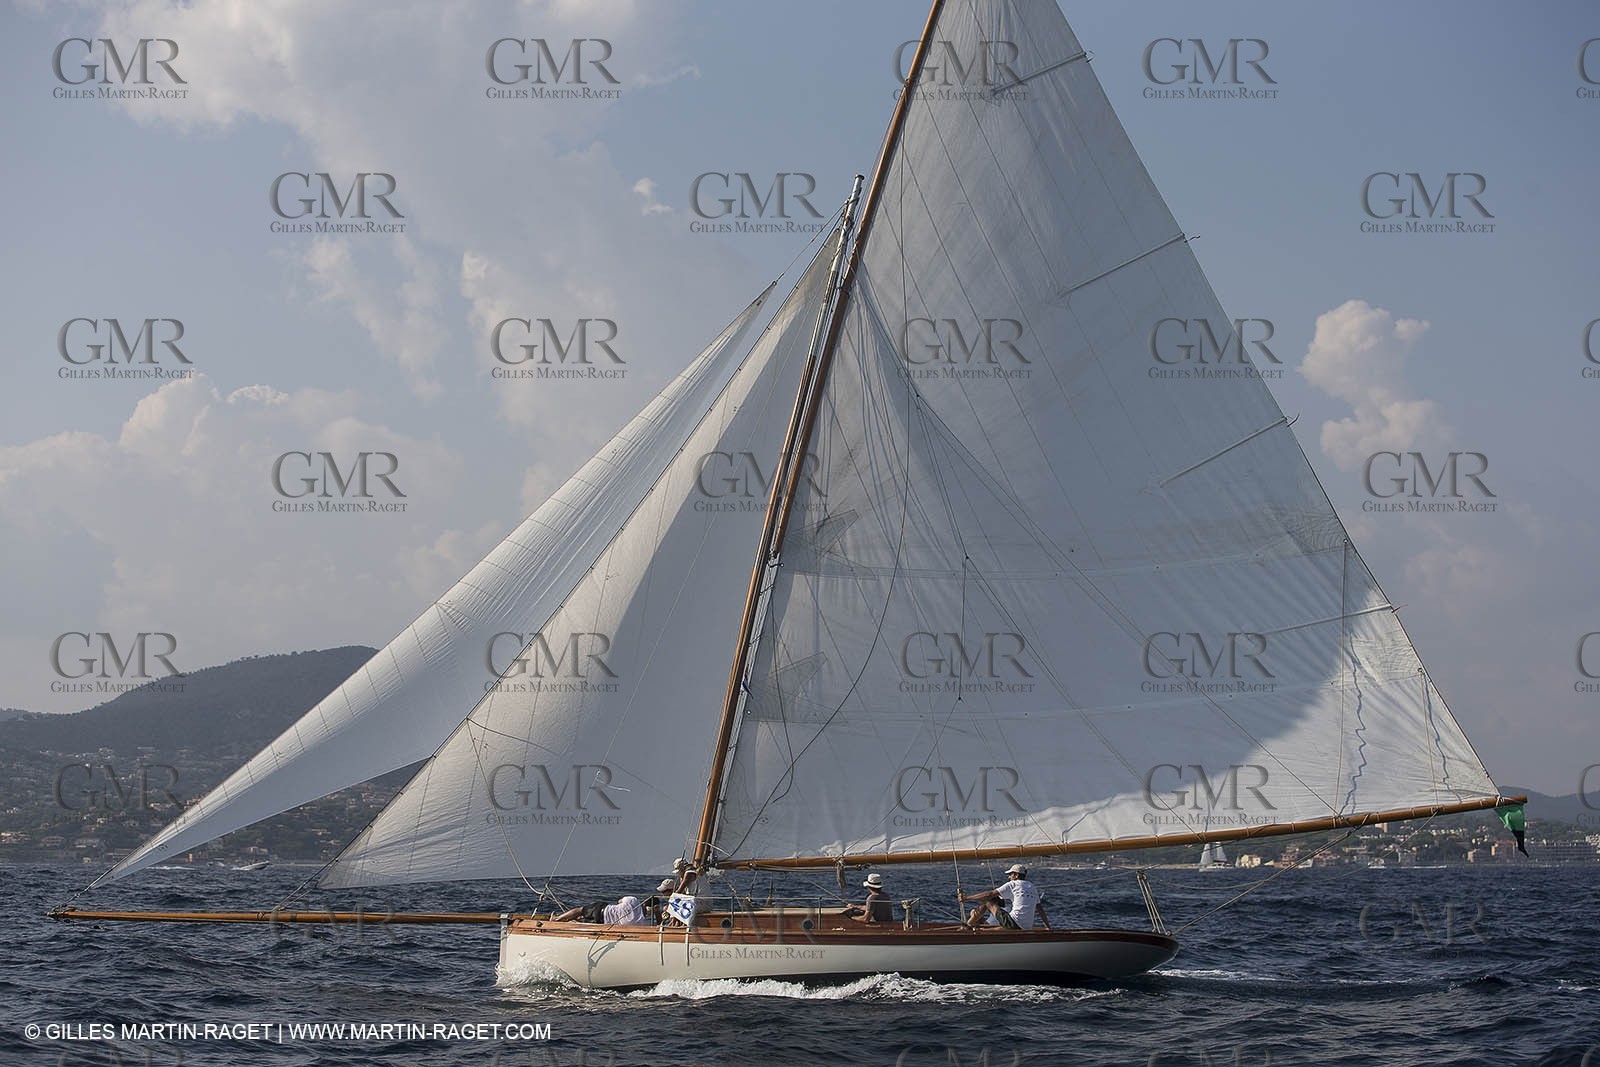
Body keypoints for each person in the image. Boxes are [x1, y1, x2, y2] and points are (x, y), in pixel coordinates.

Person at [961, 864, 1051, 931]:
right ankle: (981, 931)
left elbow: (990, 894)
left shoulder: (1013, 884)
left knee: (987, 902)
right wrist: (1048, 927)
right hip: (1026, 927)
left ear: (1016, 875)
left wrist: (967, 898)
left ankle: (967, 926)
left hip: (1014, 923)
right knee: (1008, 924)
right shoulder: (1032, 887)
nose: (1009, 877)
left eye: (1011, 874)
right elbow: (1040, 909)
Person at [553, 895, 649, 925]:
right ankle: (562, 920)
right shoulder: (640, 923)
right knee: (583, 916)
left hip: (602, 909)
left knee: (580, 910)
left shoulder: (633, 900)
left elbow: (619, 901)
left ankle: (557, 919)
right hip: (602, 922)